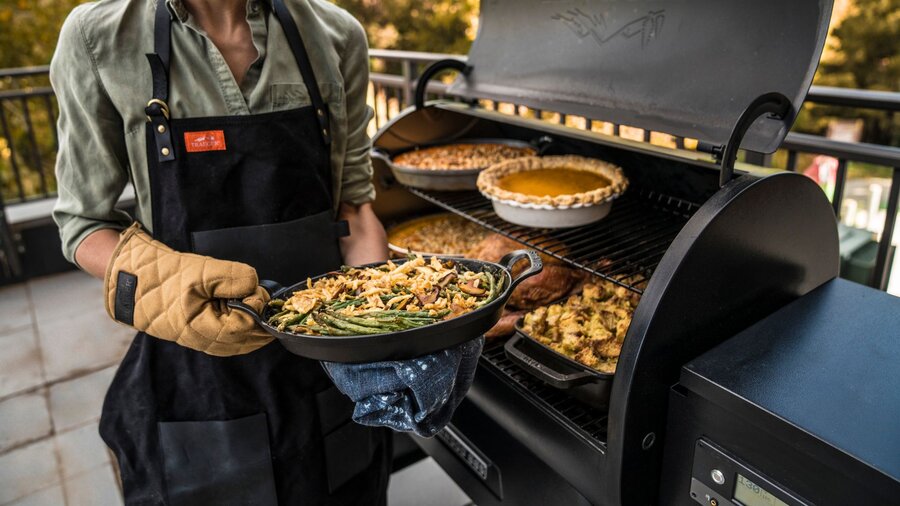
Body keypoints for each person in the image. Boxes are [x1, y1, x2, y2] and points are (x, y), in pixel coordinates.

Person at [49, 0, 392, 503]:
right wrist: (167, 280)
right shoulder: (97, 38)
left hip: (329, 366)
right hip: (195, 384)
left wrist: (384, 334)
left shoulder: (337, 34)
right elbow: (82, 224)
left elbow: (356, 214)